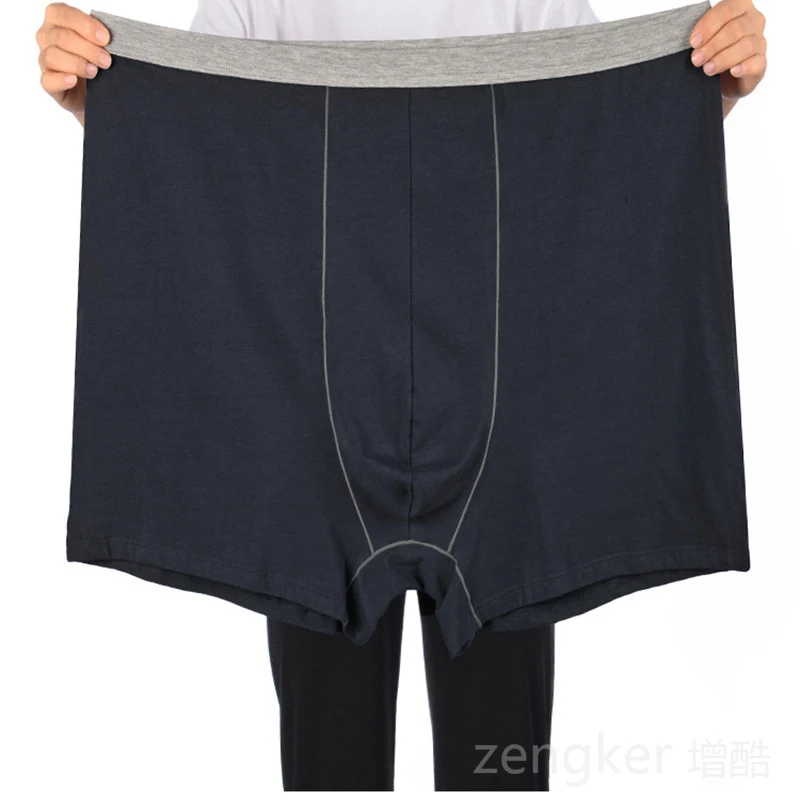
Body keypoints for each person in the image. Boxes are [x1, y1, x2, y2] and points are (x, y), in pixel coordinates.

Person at [36, 0, 768, 791]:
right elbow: (203, 146)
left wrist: (702, 85)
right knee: (330, 764)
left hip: (506, 383)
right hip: (304, 389)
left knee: (499, 761)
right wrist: (107, 100)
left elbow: (596, 139)